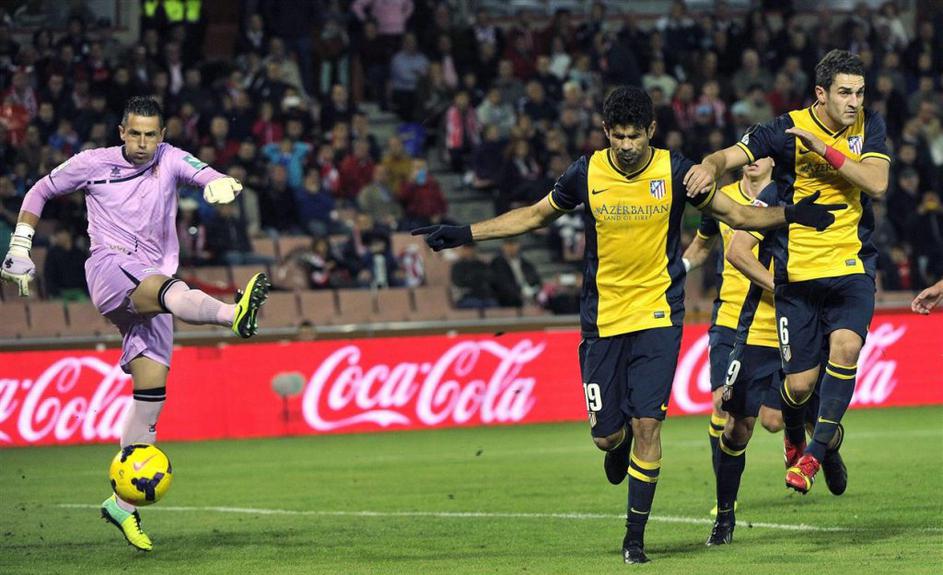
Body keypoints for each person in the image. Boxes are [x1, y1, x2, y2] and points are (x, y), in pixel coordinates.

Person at [412, 86, 841, 564]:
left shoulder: (675, 172)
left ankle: (633, 541)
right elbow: (535, 216)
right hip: (602, 318)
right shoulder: (587, 172)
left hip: (658, 313)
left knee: (648, 425)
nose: (627, 146)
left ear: (651, 131)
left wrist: (793, 214)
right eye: (617, 136)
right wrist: (465, 233)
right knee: (608, 436)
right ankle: (615, 444)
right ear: (605, 132)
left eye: (634, 136)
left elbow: (738, 214)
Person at [0, 96, 270, 552]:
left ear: (161, 135)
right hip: (111, 267)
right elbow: (39, 191)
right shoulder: (92, 163)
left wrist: (221, 183)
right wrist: (20, 247)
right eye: (135, 134)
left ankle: (122, 504)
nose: (143, 143)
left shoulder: (170, 157)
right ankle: (232, 314)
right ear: (121, 132)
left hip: (153, 283)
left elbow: (203, 172)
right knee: (171, 291)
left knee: (150, 401)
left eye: (151, 135)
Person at [683, 50, 890, 500]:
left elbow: (877, 183)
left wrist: (824, 149)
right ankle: (805, 440)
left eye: (859, 92)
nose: (854, 102)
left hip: (851, 266)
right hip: (797, 279)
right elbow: (727, 156)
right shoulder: (784, 131)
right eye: (844, 93)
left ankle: (811, 457)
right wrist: (707, 167)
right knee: (796, 390)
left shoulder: (869, 124)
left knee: (848, 347)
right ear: (821, 93)